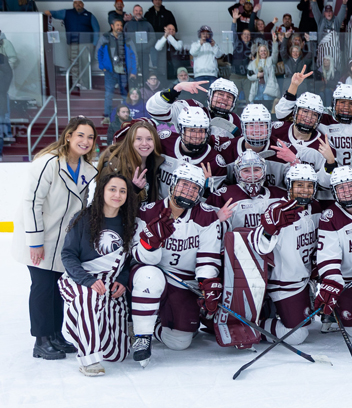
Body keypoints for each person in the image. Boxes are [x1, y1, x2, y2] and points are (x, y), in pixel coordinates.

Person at [129, 163, 232, 364]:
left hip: (184, 282)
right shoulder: (148, 212)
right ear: (173, 185)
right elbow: (138, 256)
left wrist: (207, 283)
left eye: (195, 188)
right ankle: (142, 335)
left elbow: (207, 256)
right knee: (149, 274)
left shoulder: (207, 216)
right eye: (184, 185)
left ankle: (158, 323)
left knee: (180, 342)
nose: (189, 191)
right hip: (154, 272)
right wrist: (150, 245)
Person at [15, 117, 97, 360]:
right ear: (69, 135)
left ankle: (55, 335)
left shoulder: (86, 170)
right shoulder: (48, 163)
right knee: (42, 287)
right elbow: (32, 202)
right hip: (40, 237)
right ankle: (41, 340)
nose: (85, 141)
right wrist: (35, 241)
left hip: (62, 241)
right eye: (80, 135)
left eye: (90, 137)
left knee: (56, 289)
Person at [59, 172, 138, 376]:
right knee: (89, 297)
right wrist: (86, 281)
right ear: (101, 190)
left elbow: (131, 259)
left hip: (110, 283)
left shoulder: (129, 222)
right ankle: (88, 358)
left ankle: (82, 326)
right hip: (78, 280)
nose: (117, 194)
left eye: (122, 191)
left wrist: (122, 279)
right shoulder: (83, 218)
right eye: (112, 189)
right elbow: (67, 255)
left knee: (117, 354)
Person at [246, 163, 320, 345]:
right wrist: (270, 229)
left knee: (307, 323)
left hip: (303, 280)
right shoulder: (279, 209)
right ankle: (248, 327)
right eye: (299, 185)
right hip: (284, 282)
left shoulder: (314, 208)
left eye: (309, 185)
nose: (304, 190)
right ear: (289, 186)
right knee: (297, 335)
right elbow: (257, 244)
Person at [314, 166, 352, 337]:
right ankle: (338, 311)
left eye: (350, 185)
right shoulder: (330, 217)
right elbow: (328, 255)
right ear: (334, 191)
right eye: (341, 188)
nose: (347, 191)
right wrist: (333, 282)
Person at [207, 149, 286, 230]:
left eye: (256, 170)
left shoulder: (280, 196)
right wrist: (216, 219)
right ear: (237, 173)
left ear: (264, 171)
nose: (252, 175)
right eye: (246, 170)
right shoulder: (224, 196)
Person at [147, 78, 242, 138]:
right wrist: (175, 89)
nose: (224, 99)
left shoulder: (237, 121)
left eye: (229, 97)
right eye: (220, 94)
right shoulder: (192, 108)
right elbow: (155, 109)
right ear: (210, 96)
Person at [98, 118, 163, 203]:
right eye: (138, 139)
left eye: (149, 139)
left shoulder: (156, 163)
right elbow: (105, 204)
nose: (144, 143)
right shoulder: (114, 166)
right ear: (130, 141)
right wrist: (133, 190)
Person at [45, 0, 100, 88]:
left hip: (86, 44)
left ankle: (86, 85)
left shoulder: (89, 15)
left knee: (85, 65)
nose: (77, 4)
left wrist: (94, 44)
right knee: (74, 65)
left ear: (83, 4)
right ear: (73, 4)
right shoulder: (67, 13)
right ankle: (76, 84)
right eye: (75, 3)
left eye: (79, 3)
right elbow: (51, 13)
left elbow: (96, 30)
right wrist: (46, 14)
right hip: (72, 43)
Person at [97, 19, 137, 125]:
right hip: (110, 72)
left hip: (124, 71)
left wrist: (133, 71)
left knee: (125, 95)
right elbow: (98, 52)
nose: (119, 27)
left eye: (120, 25)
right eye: (117, 25)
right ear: (112, 26)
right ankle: (107, 117)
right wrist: (102, 67)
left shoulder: (127, 38)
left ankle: (126, 117)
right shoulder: (105, 37)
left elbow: (134, 55)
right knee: (109, 95)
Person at [188, 26, 223, 98]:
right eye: (203, 33)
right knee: (199, 97)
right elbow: (193, 52)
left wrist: (213, 46)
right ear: (200, 34)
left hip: (212, 75)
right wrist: (200, 43)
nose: (205, 35)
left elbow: (219, 55)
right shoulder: (195, 44)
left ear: (210, 35)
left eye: (207, 33)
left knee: (212, 97)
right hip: (199, 75)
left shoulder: (213, 45)